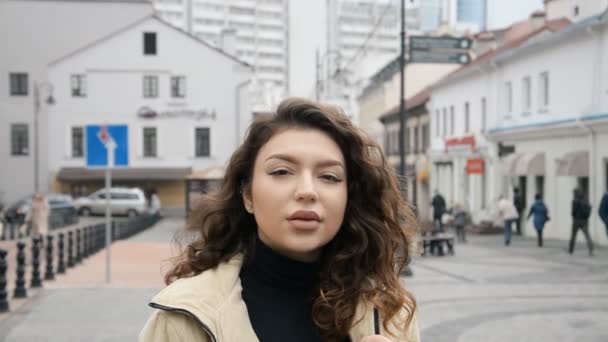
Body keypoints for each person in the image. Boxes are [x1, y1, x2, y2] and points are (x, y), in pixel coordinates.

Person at [139, 98, 420, 342]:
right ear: (248, 194)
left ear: (349, 197)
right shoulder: (183, 318)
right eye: (282, 172)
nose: (307, 191)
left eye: (329, 176)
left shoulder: (389, 310)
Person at [569, 189, 593, 256]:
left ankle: (571, 250)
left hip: (576, 220)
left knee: (573, 236)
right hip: (584, 221)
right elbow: (589, 208)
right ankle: (591, 249)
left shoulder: (575, 201)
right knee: (587, 235)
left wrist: (574, 216)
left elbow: (573, 212)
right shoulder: (585, 200)